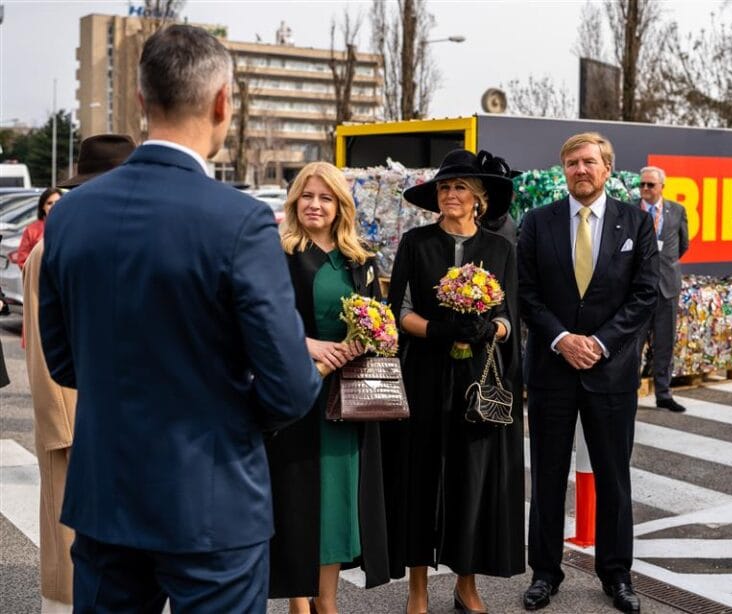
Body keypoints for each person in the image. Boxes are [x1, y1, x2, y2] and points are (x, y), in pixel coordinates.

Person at [38, 25, 321, 613]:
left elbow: (64, 359)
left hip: (106, 494)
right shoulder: (239, 221)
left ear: (141, 102)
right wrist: (228, 416)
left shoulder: (71, 216)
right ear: (223, 103)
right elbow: (291, 386)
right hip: (212, 499)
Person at [517, 132, 658, 613]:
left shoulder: (636, 223)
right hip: (551, 370)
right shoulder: (537, 222)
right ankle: (544, 573)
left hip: (611, 371)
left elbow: (644, 295)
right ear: (564, 171)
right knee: (549, 476)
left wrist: (599, 343)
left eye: (589, 162)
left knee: (614, 478)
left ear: (607, 169)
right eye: (572, 163)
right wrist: (562, 339)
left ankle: (617, 575)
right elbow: (526, 291)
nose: (580, 169)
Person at [384, 149, 525, 614]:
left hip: (477, 379)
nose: (450, 194)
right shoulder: (416, 242)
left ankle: (466, 584)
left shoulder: (501, 249)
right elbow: (398, 310)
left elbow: (509, 318)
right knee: (420, 478)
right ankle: (417, 589)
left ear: (479, 198)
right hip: (424, 373)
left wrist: (490, 329)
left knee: (471, 481)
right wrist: (437, 329)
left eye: (461, 187)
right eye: (445, 187)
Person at [266, 161, 390, 614]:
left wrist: (367, 341)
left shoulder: (361, 260)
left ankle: (328, 602)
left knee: (337, 502)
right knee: (296, 497)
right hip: (296, 393)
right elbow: (260, 324)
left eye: (325, 197)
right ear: (295, 201)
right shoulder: (276, 254)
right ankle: (300, 604)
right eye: (307, 196)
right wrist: (312, 345)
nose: (315, 205)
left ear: (341, 206)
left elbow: (382, 324)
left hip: (347, 396)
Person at [22, 133, 136, 613]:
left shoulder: (131, 242)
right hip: (75, 417)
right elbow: (43, 351)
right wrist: (63, 427)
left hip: (127, 419)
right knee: (69, 551)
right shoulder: (49, 250)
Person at [635, 166, 689, 412]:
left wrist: (664, 264)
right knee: (632, 344)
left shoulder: (677, 211)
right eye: (642, 185)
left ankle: (663, 394)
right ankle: (629, 392)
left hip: (667, 287)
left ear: (661, 187)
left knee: (664, 344)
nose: (645, 189)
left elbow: (682, 245)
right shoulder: (629, 211)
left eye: (650, 185)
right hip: (635, 289)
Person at [17, 188, 62, 269]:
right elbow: (22, 260)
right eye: (49, 203)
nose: (54, 206)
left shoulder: (70, 227)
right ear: (43, 207)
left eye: (57, 202)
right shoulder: (32, 230)